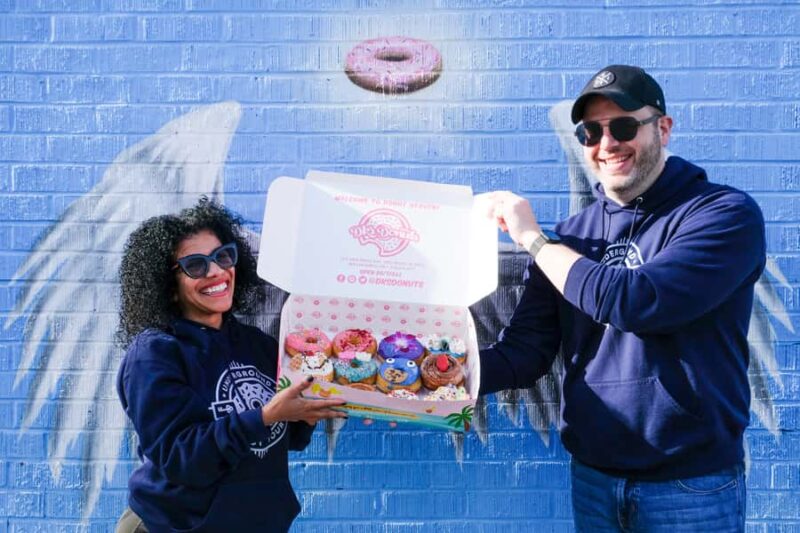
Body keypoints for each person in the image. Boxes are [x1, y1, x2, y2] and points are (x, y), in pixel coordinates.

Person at [481, 65, 765, 532]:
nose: (607, 144)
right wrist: (421, 386)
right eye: (590, 131)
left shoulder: (724, 215)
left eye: (624, 126)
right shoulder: (571, 239)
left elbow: (637, 301)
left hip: (691, 487)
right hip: (594, 480)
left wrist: (532, 238)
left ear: (664, 128)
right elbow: (523, 354)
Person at [114, 198, 347, 533]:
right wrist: (265, 415)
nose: (217, 272)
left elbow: (285, 438)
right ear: (168, 285)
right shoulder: (156, 353)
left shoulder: (258, 345)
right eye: (196, 265)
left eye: (223, 256)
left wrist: (320, 411)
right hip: (171, 526)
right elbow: (180, 459)